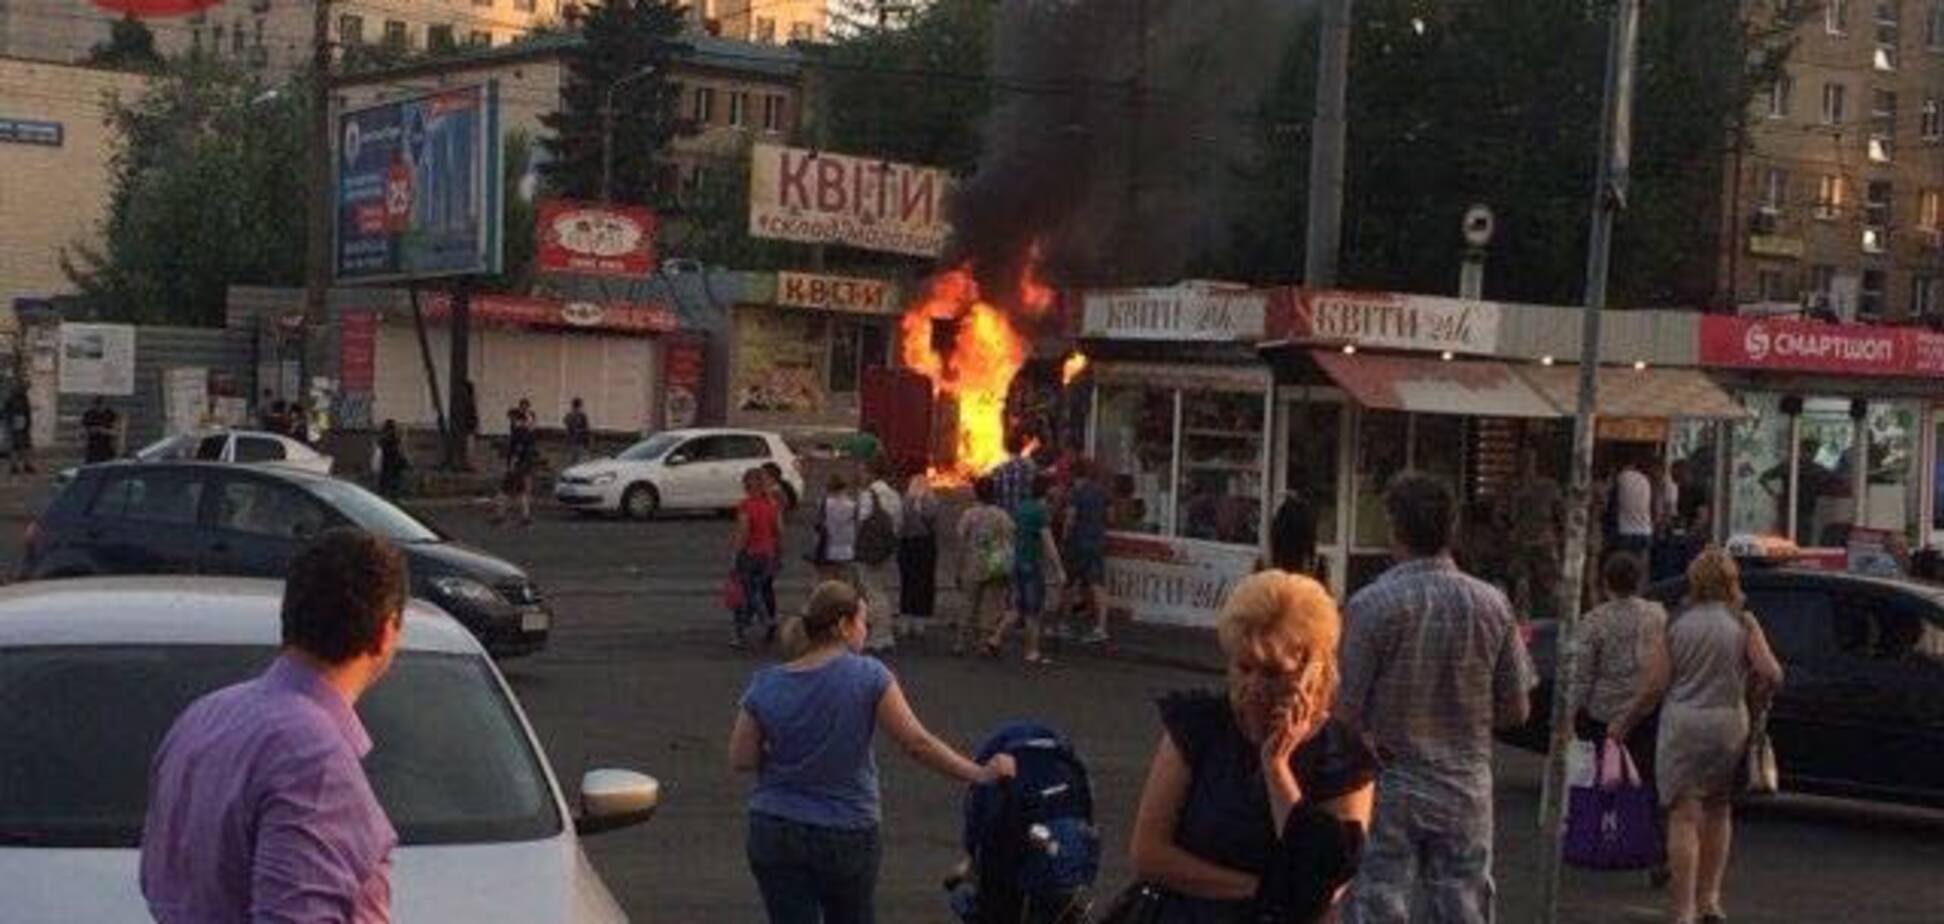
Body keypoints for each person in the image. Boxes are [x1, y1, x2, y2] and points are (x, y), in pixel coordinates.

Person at [140, 529, 407, 923]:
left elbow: (158, 880)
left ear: (291, 616)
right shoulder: (311, 757)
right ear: (386, 633)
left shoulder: (204, 716)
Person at [728, 581, 1016, 924]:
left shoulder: (766, 682)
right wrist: (979, 773)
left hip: (774, 825)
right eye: (863, 621)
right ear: (843, 625)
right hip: (845, 827)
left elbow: (741, 758)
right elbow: (917, 744)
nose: (865, 630)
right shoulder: (868, 676)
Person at [1336, 473, 1534, 924]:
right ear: (1453, 528)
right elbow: (1517, 708)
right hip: (1466, 782)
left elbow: (1345, 711)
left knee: (1380, 900)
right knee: (1464, 905)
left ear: (1394, 527)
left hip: (1391, 780)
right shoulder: (1492, 604)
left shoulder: (1370, 605)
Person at [1128, 571, 1376, 923]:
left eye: (1273, 673)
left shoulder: (1340, 758)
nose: (1253, 686)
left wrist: (1277, 768)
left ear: (1312, 671)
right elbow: (1148, 854)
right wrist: (1264, 890)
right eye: (1243, 667)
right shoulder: (1200, 726)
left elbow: (1323, 877)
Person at [1632, 549, 1783, 924]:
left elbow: (1655, 686)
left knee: (1683, 815)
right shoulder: (1744, 622)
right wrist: (1756, 689)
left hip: (1683, 723)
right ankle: (1710, 901)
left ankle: (1682, 910)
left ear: (1694, 580)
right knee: (1718, 809)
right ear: (1733, 581)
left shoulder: (1675, 623)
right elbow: (1772, 671)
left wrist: (1625, 720)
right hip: (1730, 722)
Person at [1566, 551, 1670, 879]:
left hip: (1603, 714)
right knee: (1648, 782)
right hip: (1647, 709)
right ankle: (1653, 847)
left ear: (1605, 581)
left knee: (1602, 782)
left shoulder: (1594, 621)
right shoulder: (1658, 615)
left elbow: (1582, 674)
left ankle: (1603, 839)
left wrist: (1569, 713)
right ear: (1639, 581)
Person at [990, 474, 1065, 664]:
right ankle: (1032, 651)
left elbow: (1013, 533)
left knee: (1016, 607)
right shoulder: (1040, 512)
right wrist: (1059, 569)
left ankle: (995, 638)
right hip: (1031, 564)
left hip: (1017, 561)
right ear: (1046, 490)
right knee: (1033, 610)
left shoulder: (1021, 507)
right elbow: (1048, 542)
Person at [955, 475, 1014, 657]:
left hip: (972, 563)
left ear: (976, 493)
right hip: (995, 564)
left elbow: (961, 543)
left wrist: (958, 568)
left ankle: (961, 642)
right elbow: (1010, 539)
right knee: (991, 606)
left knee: (968, 604)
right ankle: (983, 643)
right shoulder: (1002, 516)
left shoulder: (969, 515)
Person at [1507, 448, 1564, 619]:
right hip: (1541, 540)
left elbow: (1502, 517)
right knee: (1545, 585)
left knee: (1524, 583)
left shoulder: (1513, 487)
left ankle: (1524, 620)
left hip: (1524, 541)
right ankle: (1549, 619)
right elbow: (1561, 516)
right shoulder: (1548, 486)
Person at [732, 467, 785, 649]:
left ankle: (756, 622)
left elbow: (743, 532)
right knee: (763, 588)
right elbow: (779, 530)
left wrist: (736, 553)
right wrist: (777, 552)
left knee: (744, 593)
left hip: (750, 553)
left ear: (748, 484)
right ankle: (764, 621)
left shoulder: (746, 505)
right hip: (768, 553)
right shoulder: (772, 504)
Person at [856, 458, 904, 655]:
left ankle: (880, 636)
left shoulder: (868, 495)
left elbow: (861, 521)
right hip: (886, 548)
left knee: (872, 592)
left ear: (869, 472)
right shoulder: (893, 494)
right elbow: (898, 523)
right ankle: (884, 632)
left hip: (869, 549)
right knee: (881, 589)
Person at [1063, 457, 1113, 643]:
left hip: (1078, 543)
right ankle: (1101, 627)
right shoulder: (1101, 491)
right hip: (1097, 542)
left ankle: (1064, 624)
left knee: (1069, 584)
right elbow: (1110, 516)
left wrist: (1065, 536)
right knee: (1097, 584)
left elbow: (1070, 518)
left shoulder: (1076, 493)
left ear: (1074, 474)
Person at [896, 473, 940, 641]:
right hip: (926, 545)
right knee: (924, 582)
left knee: (907, 582)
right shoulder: (933, 502)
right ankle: (920, 622)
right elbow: (934, 525)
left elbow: (900, 525)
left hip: (907, 545)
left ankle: (905, 620)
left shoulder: (905, 502)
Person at [494, 400, 540, 527]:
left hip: (517, 465)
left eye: (511, 419)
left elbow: (517, 449)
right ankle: (525, 516)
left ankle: (500, 515)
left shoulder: (518, 432)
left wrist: (511, 465)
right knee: (521, 491)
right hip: (523, 464)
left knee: (504, 491)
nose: (510, 421)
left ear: (515, 419)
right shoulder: (527, 432)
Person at [815, 474, 861, 588]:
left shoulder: (824, 503)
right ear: (844, 488)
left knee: (827, 585)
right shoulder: (853, 505)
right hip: (847, 549)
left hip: (828, 548)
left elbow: (818, 525)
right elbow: (857, 526)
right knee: (845, 585)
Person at [1612, 453, 1655, 560]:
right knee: (1643, 564)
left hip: (1626, 530)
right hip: (1645, 530)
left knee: (1626, 564)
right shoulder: (1646, 480)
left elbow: (1613, 501)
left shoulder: (1621, 477)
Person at [992, 430, 1038, 513]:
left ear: (1005, 448)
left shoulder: (998, 470)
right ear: (1022, 446)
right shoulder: (1031, 466)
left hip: (1005, 518)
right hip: (1025, 516)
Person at [81, 396, 120, 464]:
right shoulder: (89, 414)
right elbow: (82, 431)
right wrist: (91, 431)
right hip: (92, 447)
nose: (99, 408)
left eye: (100, 405)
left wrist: (103, 430)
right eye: (96, 405)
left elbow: (116, 432)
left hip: (107, 447)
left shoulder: (110, 414)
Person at [376, 419, 409, 499]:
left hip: (391, 462)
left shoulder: (389, 436)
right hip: (391, 462)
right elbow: (397, 447)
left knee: (392, 478)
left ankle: (390, 494)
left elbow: (399, 447)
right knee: (391, 478)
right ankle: (390, 494)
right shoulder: (389, 437)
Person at [5, 383, 33, 475]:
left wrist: (28, 423)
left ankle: (23, 465)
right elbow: (7, 411)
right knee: (17, 446)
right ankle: (16, 466)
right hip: (17, 423)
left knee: (23, 446)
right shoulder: (15, 399)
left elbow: (27, 412)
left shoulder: (22, 398)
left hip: (21, 423)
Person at [564, 397, 592, 466]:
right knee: (580, 463)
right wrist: (587, 443)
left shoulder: (568, 415)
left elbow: (567, 427)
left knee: (571, 462)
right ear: (580, 406)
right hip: (580, 442)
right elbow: (586, 430)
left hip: (571, 442)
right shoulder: (582, 416)